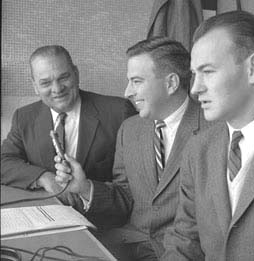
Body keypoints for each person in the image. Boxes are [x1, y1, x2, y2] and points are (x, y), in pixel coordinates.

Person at [54, 37, 213, 260]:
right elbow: (125, 196)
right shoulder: (130, 129)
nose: (127, 91)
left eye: (136, 81)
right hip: (129, 245)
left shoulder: (216, 129)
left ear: (171, 83)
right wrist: (83, 187)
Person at [161, 11, 254, 261]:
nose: (195, 89)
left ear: (253, 68)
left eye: (207, 71)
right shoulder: (197, 148)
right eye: (194, 74)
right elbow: (184, 240)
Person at [1, 45, 137, 226]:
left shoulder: (119, 111)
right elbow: (4, 160)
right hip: (48, 220)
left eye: (63, 77)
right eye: (45, 83)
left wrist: (87, 188)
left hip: (107, 225)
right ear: (35, 86)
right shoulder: (24, 117)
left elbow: (136, 187)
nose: (57, 89)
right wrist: (44, 178)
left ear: (76, 74)